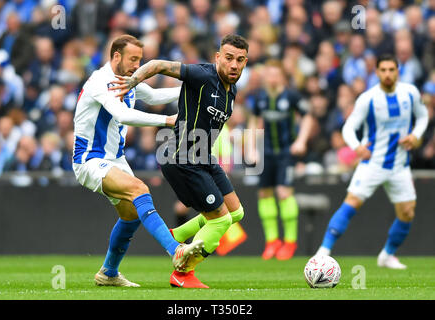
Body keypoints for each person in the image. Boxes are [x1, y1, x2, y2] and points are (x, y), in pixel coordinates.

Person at [110, 34, 249, 288]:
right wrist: (132, 81)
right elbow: (159, 65)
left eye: (240, 60)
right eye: (228, 58)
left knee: (236, 211)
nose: (234, 65)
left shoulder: (232, 89)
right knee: (220, 220)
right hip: (181, 158)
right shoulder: (203, 75)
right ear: (218, 57)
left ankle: (179, 235)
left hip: (204, 157)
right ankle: (182, 273)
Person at [72, 34, 204, 288]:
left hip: (115, 159)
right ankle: (175, 250)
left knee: (132, 214)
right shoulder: (101, 81)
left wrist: (193, 90)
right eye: (133, 59)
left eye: (140, 60)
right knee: (139, 190)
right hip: (90, 159)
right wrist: (167, 121)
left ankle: (109, 272)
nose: (137, 65)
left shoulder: (127, 80)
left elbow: (153, 96)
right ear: (116, 56)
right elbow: (123, 114)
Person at [315, 54, 429, 269]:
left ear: (398, 71)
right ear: (376, 72)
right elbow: (349, 128)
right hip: (372, 163)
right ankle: (323, 251)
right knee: (351, 203)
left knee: (407, 212)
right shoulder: (368, 98)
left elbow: (423, 116)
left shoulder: (410, 93)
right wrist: (357, 147)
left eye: (391, 70)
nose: (387, 74)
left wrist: (415, 135)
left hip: (399, 164)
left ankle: (387, 255)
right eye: (383, 70)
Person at [246, 60, 315, 260]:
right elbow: (253, 121)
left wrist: (301, 141)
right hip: (266, 152)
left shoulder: (292, 96)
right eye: (269, 74)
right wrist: (252, 148)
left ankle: (290, 241)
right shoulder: (260, 98)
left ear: (282, 76)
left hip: (286, 152)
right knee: (265, 194)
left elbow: (308, 116)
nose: (272, 78)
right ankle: (272, 241)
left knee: (284, 193)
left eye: (276, 74)